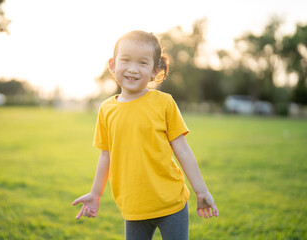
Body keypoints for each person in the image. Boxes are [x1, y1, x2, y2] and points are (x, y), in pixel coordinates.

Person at [72, 30, 218, 240]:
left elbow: (183, 150)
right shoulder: (106, 109)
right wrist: (95, 194)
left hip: (171, 202)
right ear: (113, 65)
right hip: (133, 206)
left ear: (154, 70)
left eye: (142, 62)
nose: (133, 69)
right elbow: (106, 155)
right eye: (126, 60)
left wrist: (201, 191)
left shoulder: (164, 103)